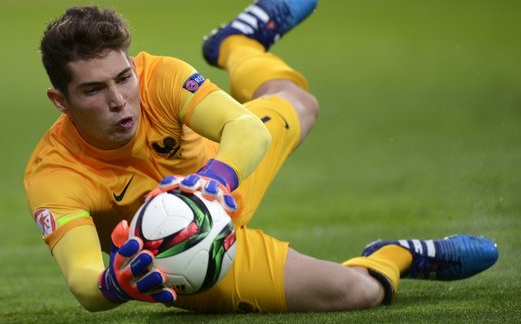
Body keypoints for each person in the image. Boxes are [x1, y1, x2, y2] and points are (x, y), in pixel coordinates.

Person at [24, 0, 498, 313]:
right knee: (354, 293)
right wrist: (117, 283)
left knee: (301, 105)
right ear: (60, 100)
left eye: (122, 78)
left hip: (224, 177)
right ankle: (397, 255)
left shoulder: (159, 76)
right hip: (197, 259)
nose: (120, 99)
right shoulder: (54, 174)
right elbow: (84, 280)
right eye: (93, 89)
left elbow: (245, 130)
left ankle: (237, 44)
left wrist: (215, 178)